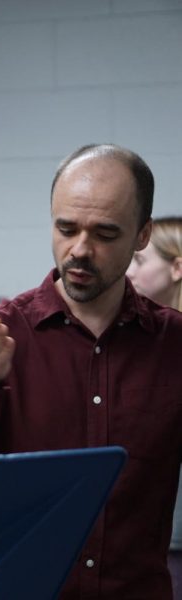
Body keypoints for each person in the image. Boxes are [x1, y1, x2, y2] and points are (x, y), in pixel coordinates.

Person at [0, 144, 182, 599]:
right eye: (66, 228)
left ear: (142, 236)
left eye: (105, 233)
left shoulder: (173, 343)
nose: (80, 249)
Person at [126, 216, 182, 599]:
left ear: (177, 267)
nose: (129, 272)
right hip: (149, 541)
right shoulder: (146, 338)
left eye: (141, 262)